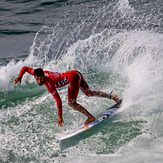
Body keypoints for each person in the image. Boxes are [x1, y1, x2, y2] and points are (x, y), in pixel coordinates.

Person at [14, 66, 120, 127]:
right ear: (35, 76)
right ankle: (113, 96)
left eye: (41, 78)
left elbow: (58, 100)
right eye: (37, 79)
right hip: (75, 73)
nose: (39, 81)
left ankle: (90, 117)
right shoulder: (36, 72)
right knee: (88, 93)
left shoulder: (49, 83)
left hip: (73, 78)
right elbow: (26, 68)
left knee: (71, 102)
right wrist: (19, 77)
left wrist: (60, 116)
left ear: (43, 76)